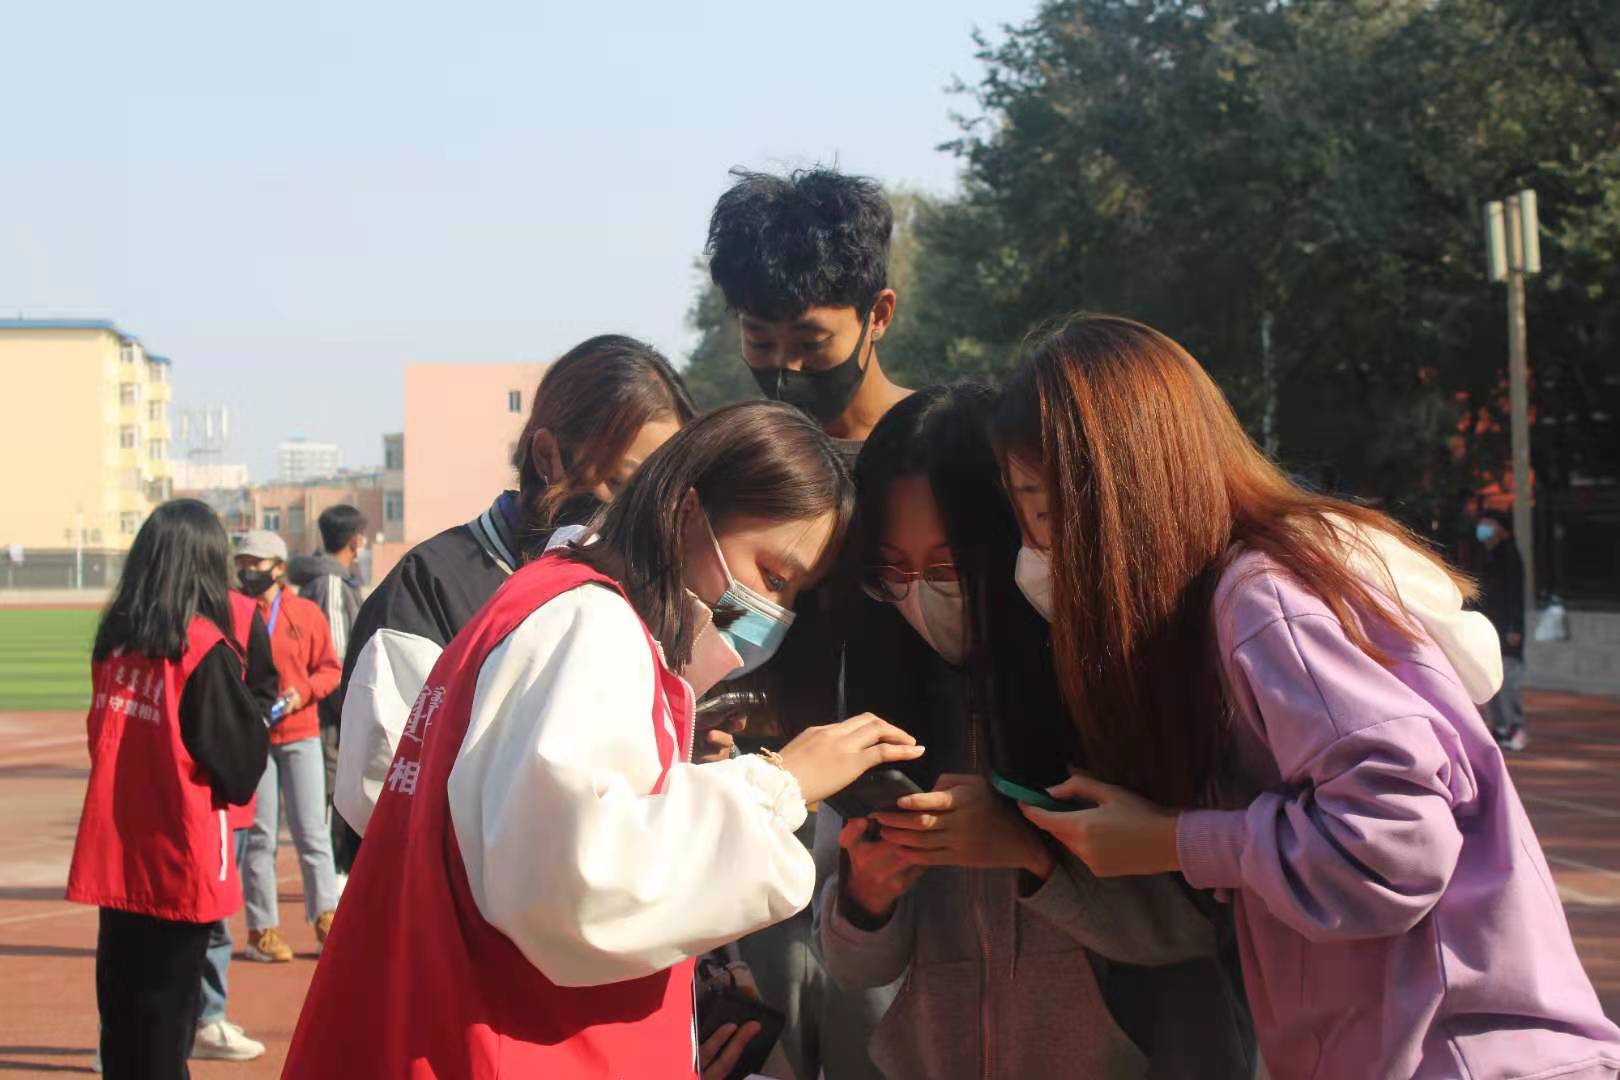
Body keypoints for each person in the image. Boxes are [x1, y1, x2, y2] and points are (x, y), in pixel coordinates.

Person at [995, 314, 1620, 1078]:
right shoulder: (1241, 605)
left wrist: (1172, 841)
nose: (1037, 544)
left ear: (1123, 493)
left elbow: (1395, 841)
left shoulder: (1263, 603)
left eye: (1042, 505)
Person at [282, 401, 924, 1079]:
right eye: (772, 575)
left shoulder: (559, 599)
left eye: (794, 594)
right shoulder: (594, 626)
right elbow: (577, 882)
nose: (773, 611)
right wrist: (778, 784)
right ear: (687, 511)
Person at [816, 383, 1253, 1078]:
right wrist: (867, 898)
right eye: (893, 568)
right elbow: (851, 967)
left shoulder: (1119, 675)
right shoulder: (877, 691)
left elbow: (1198, 927)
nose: (919, 593)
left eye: (948, 567)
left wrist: (1032, 853)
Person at [705, 164, 913, 1080]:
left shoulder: (935, 453)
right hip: (765, 814)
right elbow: (716, 631)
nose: (783, 369)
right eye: (760, 340)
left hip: (897, 839)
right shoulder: (741, 462)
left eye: (810, 341)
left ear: (879, 315)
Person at [334, 335, 697, 838]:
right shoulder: (433, 584)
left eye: (661, 495)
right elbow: (381, 788)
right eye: (622, 485)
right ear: (547, 455)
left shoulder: (643, 592)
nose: (642, 514)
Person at [66, 499, 268, 1080]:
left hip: (117, 854)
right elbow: (239, 768)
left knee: (122, 1022)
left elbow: (99, 739)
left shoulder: (114, 643)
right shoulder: (202, 648)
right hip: (179, 857)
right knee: (164, 1029)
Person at [234, 529, 343, 963]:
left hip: (301, 733)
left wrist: (304, 692)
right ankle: (261, 930)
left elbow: (330, 669)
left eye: (256, 563)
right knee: (260, 836)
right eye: (242, 563)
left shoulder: (305, 613)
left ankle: (326, 919)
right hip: (253, 738)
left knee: (312, 833)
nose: (248, 570)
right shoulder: (234, 612)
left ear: (278, 568)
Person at [192, 590, 279, 1062]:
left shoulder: (241, 613)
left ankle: (207, 1017)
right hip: (171, 796)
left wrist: (247, 733)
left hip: (224, 798)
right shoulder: (147, 615)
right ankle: (126, 1029)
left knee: (214, 915)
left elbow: (264, 685)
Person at [287, 503, 369, 875]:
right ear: (355, 541)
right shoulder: (332, 585)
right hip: (330, 713)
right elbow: (335, 659)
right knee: (333, 789)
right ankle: (334, 877)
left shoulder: (334, 580)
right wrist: (350, 711)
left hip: (328, 709)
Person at [1474, 508, 1529, 751]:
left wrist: (1514, 627)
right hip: (1489, 627)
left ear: (1501, 527)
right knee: (1491, 680)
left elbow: (1515, 595)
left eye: (1489, 522)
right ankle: (1498, 727)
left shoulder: (1510, 554)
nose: (1483, 527)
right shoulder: (1486, 554)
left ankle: (1516, 727)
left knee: (1508, 680)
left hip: (1507, 628)